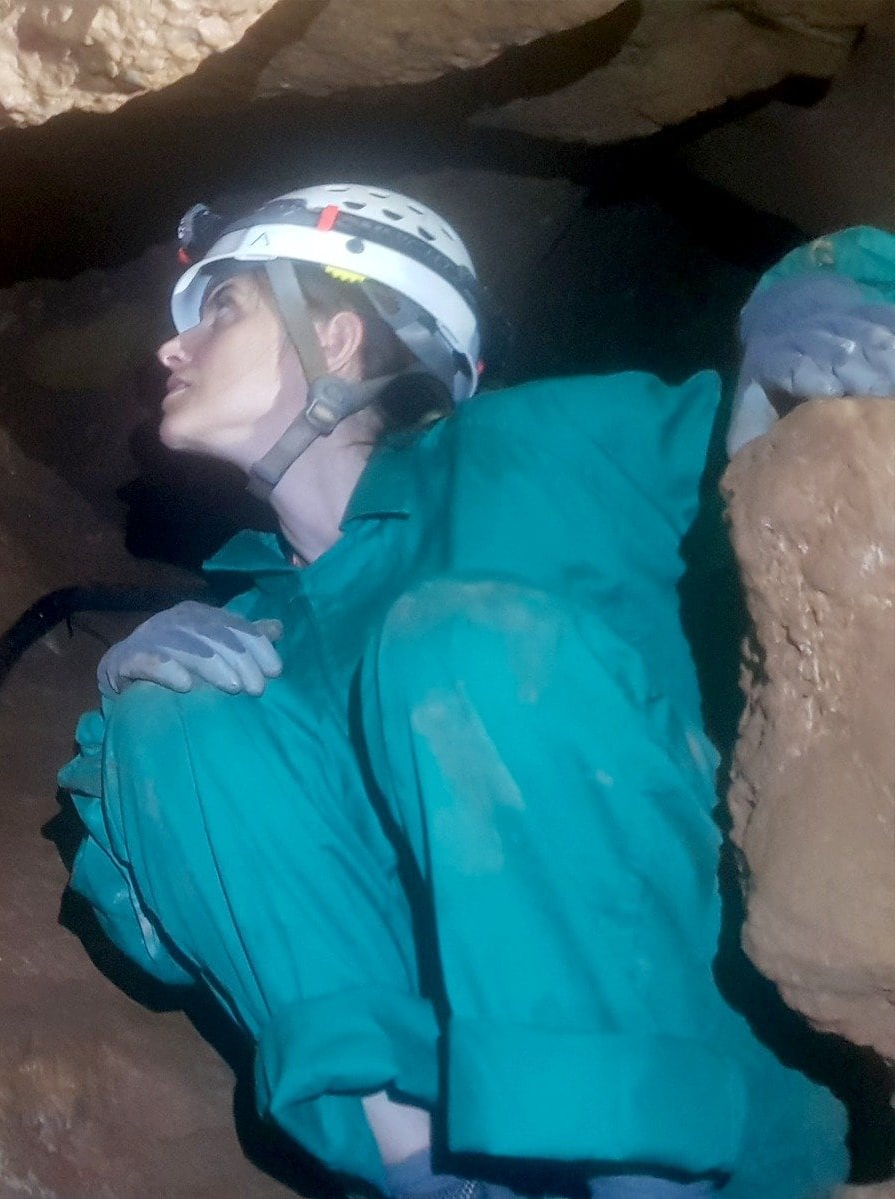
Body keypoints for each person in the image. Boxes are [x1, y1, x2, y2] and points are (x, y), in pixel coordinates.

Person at [57, 183, 895, 1199]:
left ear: (334, 329)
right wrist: (122, 738)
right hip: (454, 1162)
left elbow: (787, 418)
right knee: (174, 719)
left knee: (452, 639)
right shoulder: (251, 640)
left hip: (718, 1134)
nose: (168, 350)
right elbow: (163, 943)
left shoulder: (550, 449)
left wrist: (818, 291)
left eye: (222, 306)